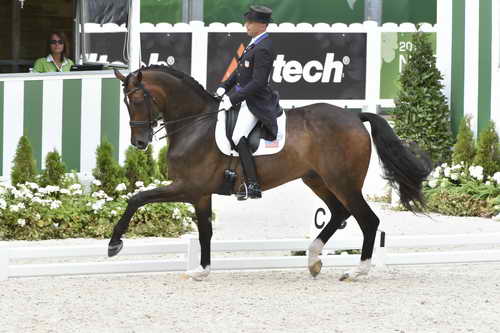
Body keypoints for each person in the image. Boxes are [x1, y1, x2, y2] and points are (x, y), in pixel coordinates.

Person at [215, 5, 281, 200]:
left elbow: (258, 82)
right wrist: (223, 86)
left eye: (250, 22)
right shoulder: (253, 43)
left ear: (261, 25)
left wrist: (232, 98)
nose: (246, 26)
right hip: (243, 96)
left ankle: (252, 184)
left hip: (256, 101)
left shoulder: (264, 47)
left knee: (237, 136)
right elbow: (240, 71)